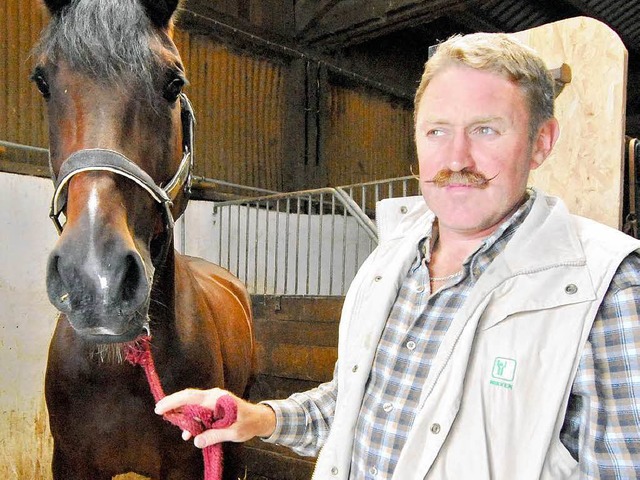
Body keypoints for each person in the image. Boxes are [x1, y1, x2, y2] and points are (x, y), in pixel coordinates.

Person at [155, 32, 640, 479]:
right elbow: (355, 405)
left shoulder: (605, 289)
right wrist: (258, 418)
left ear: (541, 143)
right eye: (437, 131)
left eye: (487, 130)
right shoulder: (391, 261)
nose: (456, 159)